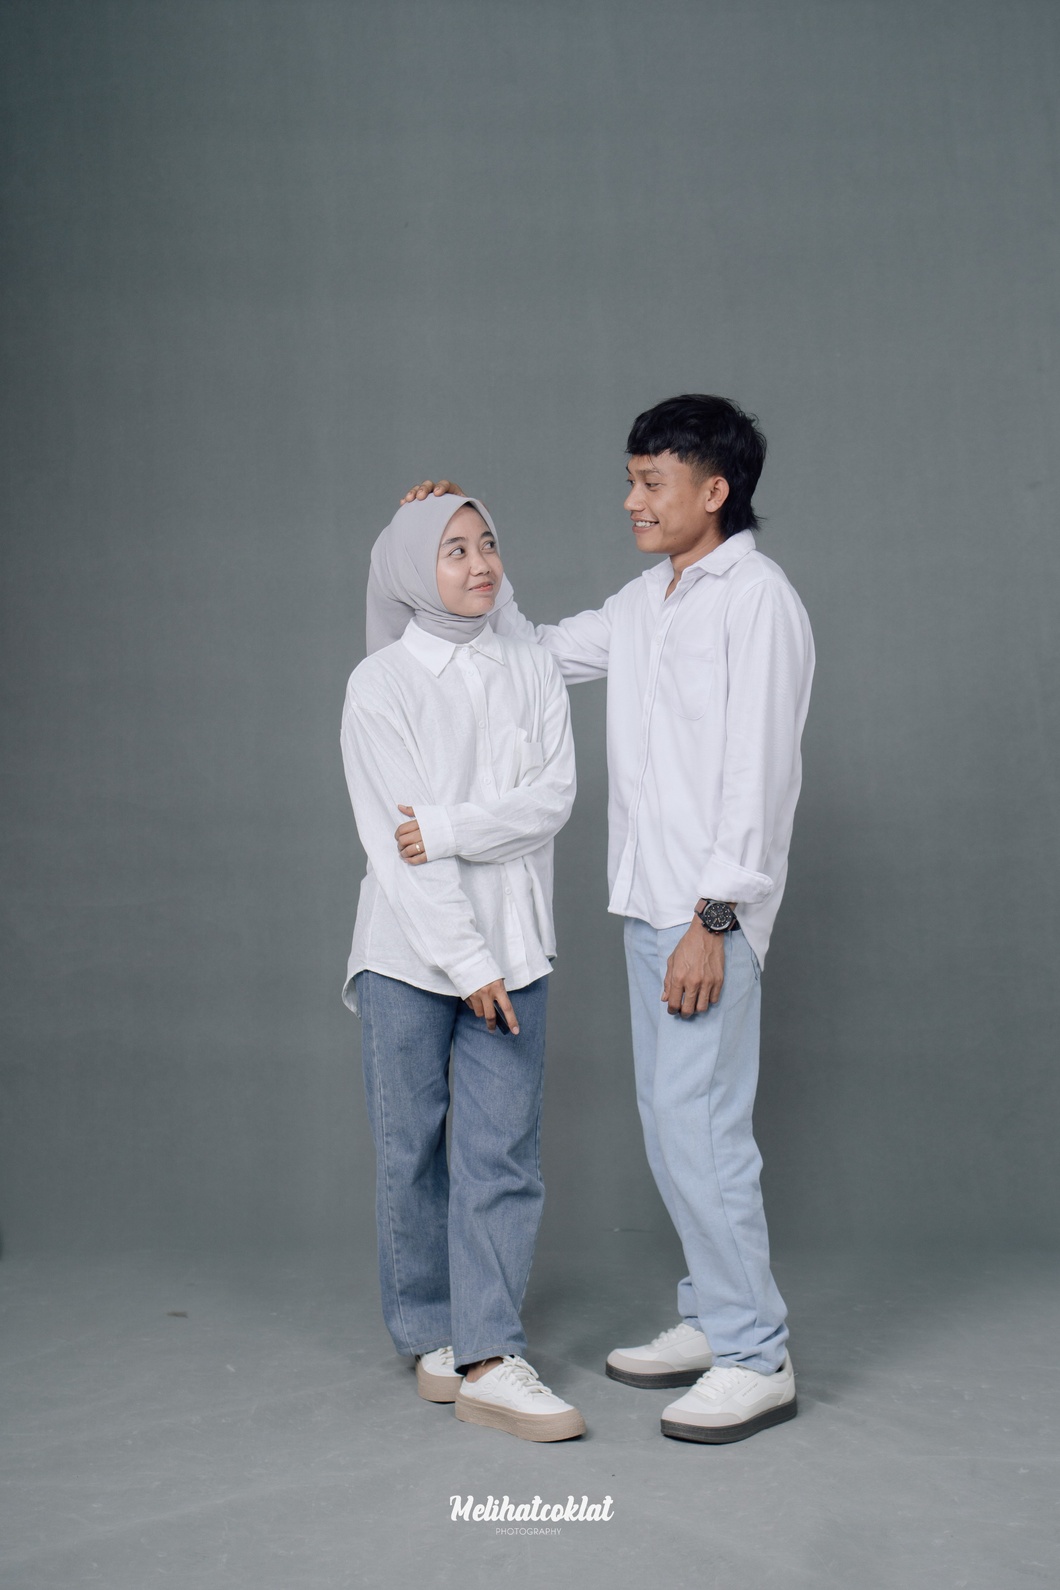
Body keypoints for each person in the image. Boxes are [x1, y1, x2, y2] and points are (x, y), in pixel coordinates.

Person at [398, 394, 815, 1444]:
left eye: (651, 482)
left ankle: (755, 1354)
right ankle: (713, 1315)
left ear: (713, 491)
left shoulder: (756, 600)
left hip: (706, 918)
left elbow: (761, 772)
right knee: (676, 1129)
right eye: (630, 479)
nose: (631, 499)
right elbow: (534, 651)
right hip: (649, 908)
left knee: (702, 1131)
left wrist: (714, 919)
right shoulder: (647, 601)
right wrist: (467, 553)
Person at [340, 491, 585, 1443]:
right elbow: (394, 847)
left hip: (517, 947)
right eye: (454, 550)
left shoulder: (531, 667)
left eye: (488, 544)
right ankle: (430, 1334)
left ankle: (489, 1353)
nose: (480, 563)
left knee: (502, 1153)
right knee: (409, 1150)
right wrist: (465, 957)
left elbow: (552, 800)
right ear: (412, 570)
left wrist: (446, 827)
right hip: (409, 953)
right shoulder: (381, 685)